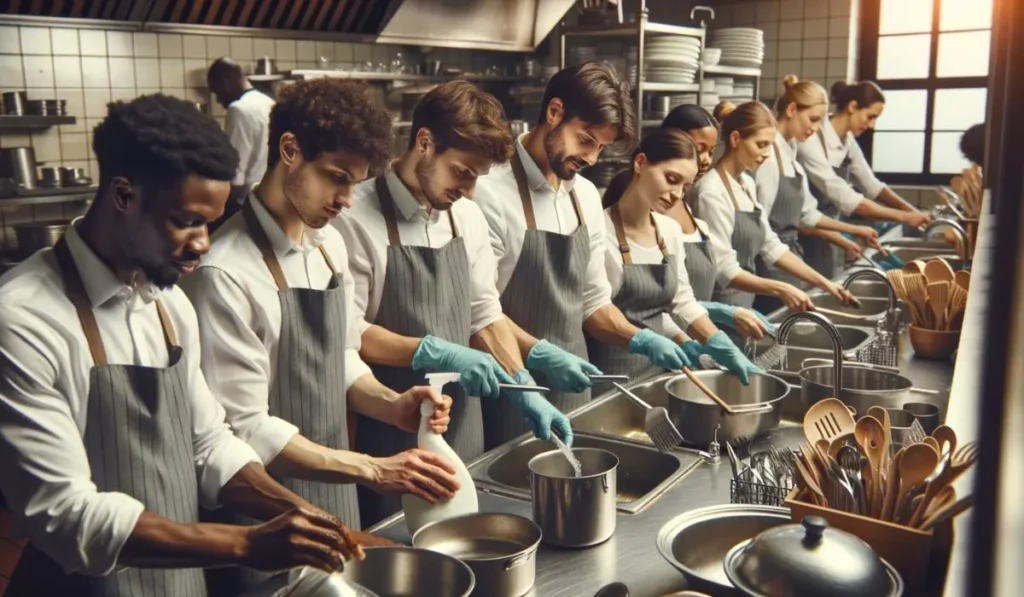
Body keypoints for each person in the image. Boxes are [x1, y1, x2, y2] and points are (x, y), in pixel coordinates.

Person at [0, 94, 363, 597]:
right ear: (124, 195)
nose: (203, 243)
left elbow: (208, 444)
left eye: (209, 222)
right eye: (187, 220)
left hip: (178, 581)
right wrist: (245, 544)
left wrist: (306, 516)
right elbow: (64, 514)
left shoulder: (168, 306)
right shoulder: (24, 320)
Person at [182, 79, 462, 570]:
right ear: (289, 150)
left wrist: (392, 405)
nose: (348, 200)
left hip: (336, 491)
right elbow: (245, 429)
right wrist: (371, 468)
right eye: (337, 177)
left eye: (355, 182)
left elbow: (341, 358)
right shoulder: (224, 273)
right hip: (267, 514)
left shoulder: (328, 246)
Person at [334, 81, 572, 524]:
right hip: (393, 427)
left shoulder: (467, 217)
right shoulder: (354, 219)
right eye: (462, 171)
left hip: (462, 423)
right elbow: (351, 335)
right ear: (425, 142)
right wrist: (435, 351)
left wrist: (524, 386)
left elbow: (484, 314)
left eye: (478, 177)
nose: (469, 190)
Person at [475, 62, 697, 449]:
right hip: (513, 391)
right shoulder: (489, 192)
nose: (593, 158)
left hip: (575, 391)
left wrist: (642, 338)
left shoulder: (585, 197)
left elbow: (594, 303)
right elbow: (478, 313)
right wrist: (539, 360)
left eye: (601, 147)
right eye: (586, 140)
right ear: (554, 112)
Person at [596, 127, 763, 382]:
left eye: (686, 186)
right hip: (612, 379)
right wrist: (645, 341)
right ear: (640, 163)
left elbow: (682, 301)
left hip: (661, 373)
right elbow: (595, 310)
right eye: (671, 179)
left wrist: (717, 342)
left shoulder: (670, 231)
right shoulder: (600, 230)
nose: (677, 194)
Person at [691, 100, 858, 311]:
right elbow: (725, 270)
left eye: (771, 145)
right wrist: (781, 289)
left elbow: (771, 246)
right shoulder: (711, 192)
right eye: (761, 144)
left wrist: (826, 284)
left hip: (746, 304)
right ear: (735, 139)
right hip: (721, 307)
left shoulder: (747, 184)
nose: (768, 153)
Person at [753, 75, 887, 312]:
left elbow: (808, 215)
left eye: (820, 121)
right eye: (813, 119)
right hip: (770, 264)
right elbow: (759, 228)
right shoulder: (769, 156)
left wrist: (854, 232)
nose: (815, 129)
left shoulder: (790, 150)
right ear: (792, 109)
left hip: (788, 260)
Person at [657, 105, 780, 337]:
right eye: (699, 149)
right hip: (670, 338)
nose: (705, 160)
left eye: (710, 151)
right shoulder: (700, 195)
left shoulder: (685, 205)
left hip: (695, 328)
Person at [796, 79, 933, 278]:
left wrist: (914, 213)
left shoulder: (847, 140)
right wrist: (904, 217)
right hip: (806, 233)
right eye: (870, 116)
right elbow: (848, 199)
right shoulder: (811, 139)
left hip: (831, 232)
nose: (872, 125)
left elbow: (872, 186)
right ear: (852, 107)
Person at [207, 57, 276, 232]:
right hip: (270, 197)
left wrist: (215, 214)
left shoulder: (239, 109)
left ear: (226, 82)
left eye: (216, 91)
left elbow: (235, 173)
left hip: (246, 203)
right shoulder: (268, 102)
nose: (217, 99)